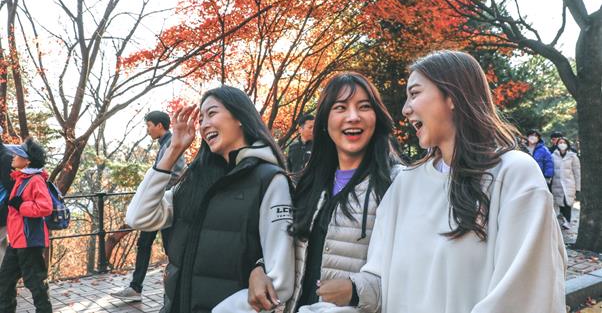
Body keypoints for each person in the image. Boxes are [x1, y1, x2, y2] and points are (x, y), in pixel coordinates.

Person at [353, 50, 566, 313]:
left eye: (415, 93)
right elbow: (380, 283)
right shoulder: (404, 184)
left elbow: (524, 295)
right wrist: (347, 295)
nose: (405, 109)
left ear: (452, 95)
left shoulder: (514, 175)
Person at [125, 86, 294, 313]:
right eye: (201, 118)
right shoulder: (195, 180)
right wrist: (174, 149)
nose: (204, 125)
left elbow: (280, 280)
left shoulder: (270, 180)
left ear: (240, 118)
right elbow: (138, 217)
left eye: (212, 113)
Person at [248, 72, 402, 313]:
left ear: (377, 117)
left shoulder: (396, 183)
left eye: (364, 107)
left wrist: (355, 290)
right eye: (340, 107)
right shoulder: (309, 183)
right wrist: (258, 268)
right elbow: (282, 243)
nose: (353, 117)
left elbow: (410, 273)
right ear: (324, 122)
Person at [111, 111, 186, 302]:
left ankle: (177, 289)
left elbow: (175, 174)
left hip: (165, 204)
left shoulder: (171, 143)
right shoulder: (165, 143)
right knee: (145, 244)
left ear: (159, 126)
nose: (148, 130)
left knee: (170, 248)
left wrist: (155, 192)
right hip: (159, 203)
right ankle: (136, 288)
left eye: (149, 125)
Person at [0, 138, 53, 313]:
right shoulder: (21, 178)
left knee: (36, 286)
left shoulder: (35, 180)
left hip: (30, 241)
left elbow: (45, 207)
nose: (13, 157)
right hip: (16, 241)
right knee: (4, 283)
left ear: (27, 161)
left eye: (18, 154)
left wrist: (21, 206)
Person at [551, 137, 581, 230]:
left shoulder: (573, 156)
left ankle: (567, 221)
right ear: (557, 144)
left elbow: (577, 172)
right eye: (560, 142)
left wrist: (578, 188)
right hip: (557, 184)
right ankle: (561, 220)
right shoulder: (553, 156)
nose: (562, 144)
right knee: (559, 203)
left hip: (569, 184)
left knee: (567, 203)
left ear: (567, 144)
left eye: (564, 142)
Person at [0, 126, 15, 264]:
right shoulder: (6, 155)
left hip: (2, 207)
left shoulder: (5, 156)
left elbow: (9, 184)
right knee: (2, 245)